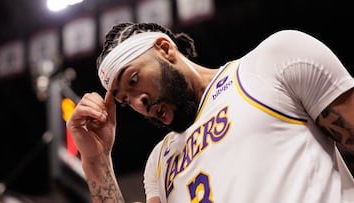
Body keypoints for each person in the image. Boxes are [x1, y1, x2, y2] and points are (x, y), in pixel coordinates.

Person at [66, 22, 354, 203]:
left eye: (133, 80)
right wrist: (96, 161)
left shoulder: (272, 61)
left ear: (165, 49)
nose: (138, 102)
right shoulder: (159, 161)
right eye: (125, 101)